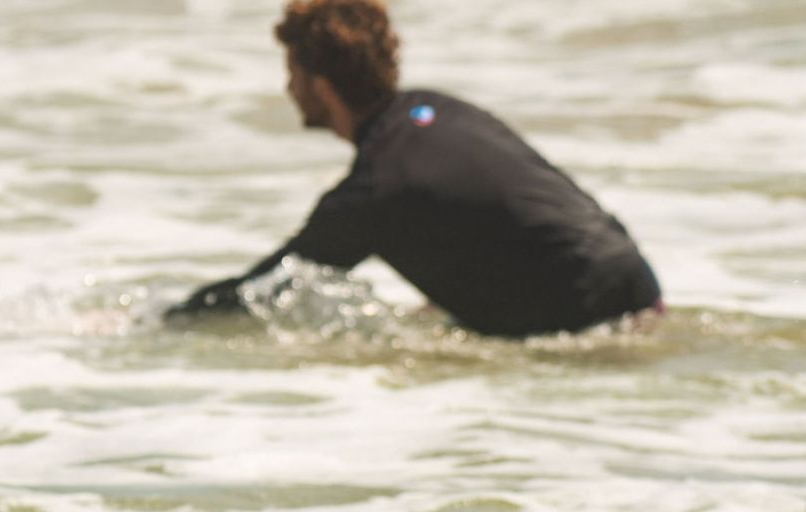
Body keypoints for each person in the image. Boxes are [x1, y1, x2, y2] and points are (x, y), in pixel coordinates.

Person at [169, 0, 661, 339]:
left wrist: (168, 319)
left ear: (318, 84)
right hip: (636, 284)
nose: (288, 87)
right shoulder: (439, 110)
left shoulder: (373, 191)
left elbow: (265, 288)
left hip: (585, 325)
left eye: (291, 72)